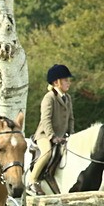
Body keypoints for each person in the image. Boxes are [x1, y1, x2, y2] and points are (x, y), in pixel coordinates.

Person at [29, 64, 76, 193]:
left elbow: (71, 118)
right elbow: (46, 119)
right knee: (47, 152)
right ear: (56, 82)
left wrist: (71, 134)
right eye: (65, 80)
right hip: (44, 135)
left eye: (68, 80)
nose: (68, 82)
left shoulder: (68, 98)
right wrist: (52, 136)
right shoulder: (49, 97)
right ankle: (32, 181)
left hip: (61, 136)